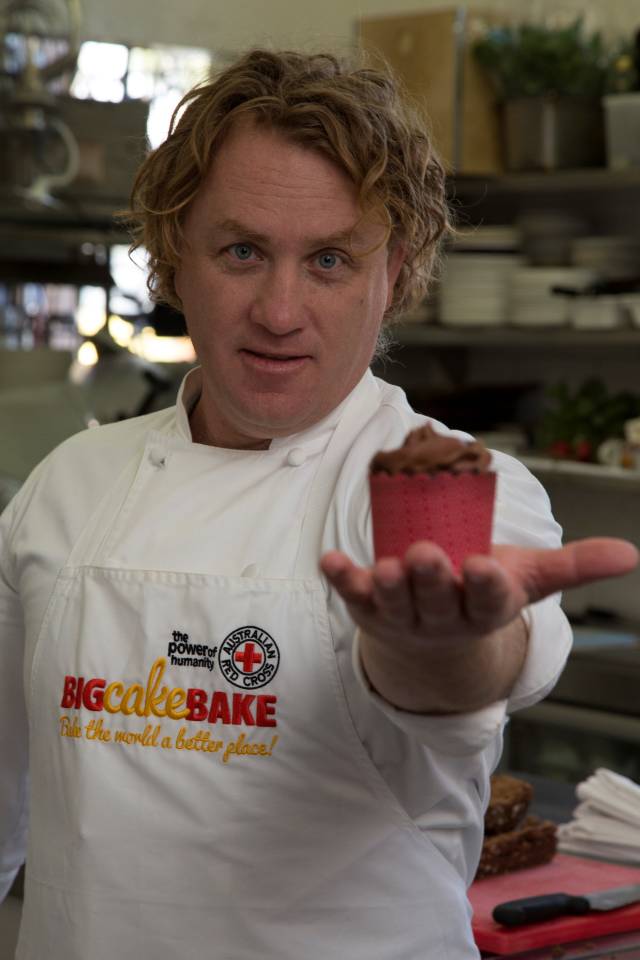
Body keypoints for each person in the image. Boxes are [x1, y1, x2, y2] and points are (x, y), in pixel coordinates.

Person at [0, 48, 636, 960]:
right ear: (176, 255)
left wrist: (436, 641)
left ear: (394, 272)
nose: (279, 310)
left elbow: (468, 670)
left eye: (330, 259)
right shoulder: (69, 485)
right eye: (243, 251)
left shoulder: (445, 487)